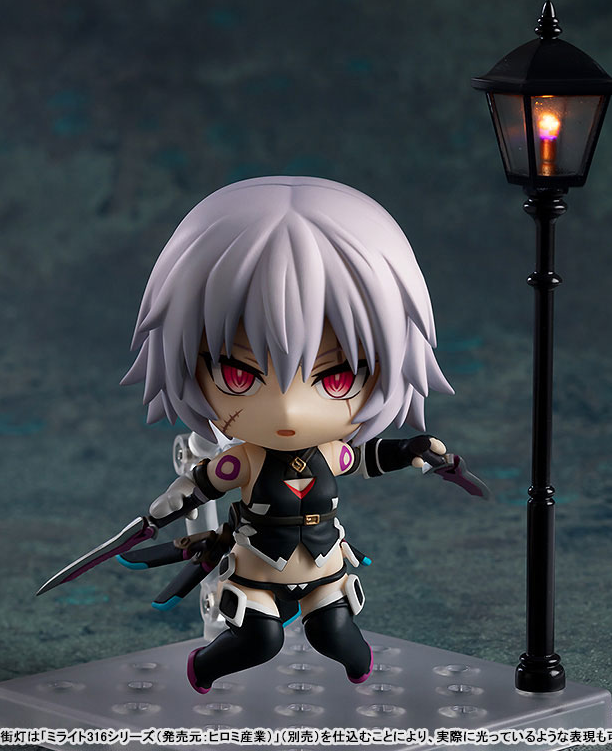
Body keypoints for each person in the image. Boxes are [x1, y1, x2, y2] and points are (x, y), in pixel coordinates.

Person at [121, 176, 453, 692]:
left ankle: (359, 667)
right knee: (260, 640)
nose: (289, 409)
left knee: (338, 636)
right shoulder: (245, 461)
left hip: (324, 563)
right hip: (257, 567)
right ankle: (203, 668)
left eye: (336, 378)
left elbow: (365, 459)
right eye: (239, 375)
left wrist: (410, 448)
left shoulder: (331, 451)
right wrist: (157, 516)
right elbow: (200, 485)